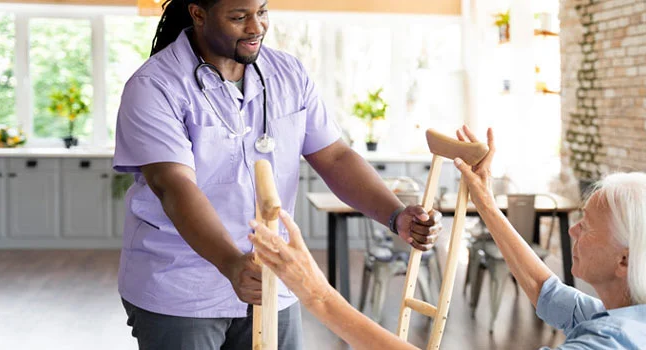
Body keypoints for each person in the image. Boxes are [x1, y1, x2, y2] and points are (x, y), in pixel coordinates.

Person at [112, 0, 442, 348]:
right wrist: (231, 263)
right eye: (239, 17)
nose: (256, 27)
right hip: (180, 286)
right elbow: (173, 186)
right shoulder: (154, 85)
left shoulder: (289, 74)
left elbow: (334, 156)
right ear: (198, 14)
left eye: (262, 12)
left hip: (273, 279)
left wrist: (395, 215)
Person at [249, 125, 646, 350]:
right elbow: (545, 290)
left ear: (626, 262)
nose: (572, 231)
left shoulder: (608, 346)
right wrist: (482, 198)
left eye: (587, 227)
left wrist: (314, 291)